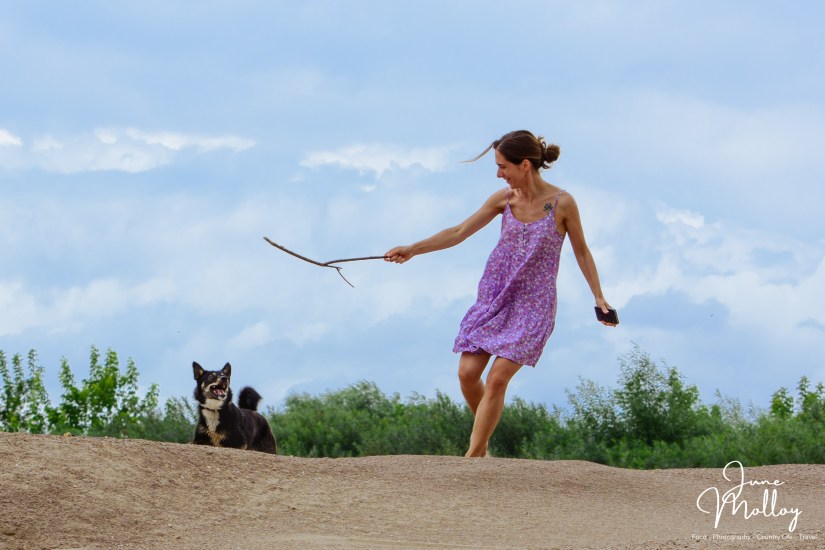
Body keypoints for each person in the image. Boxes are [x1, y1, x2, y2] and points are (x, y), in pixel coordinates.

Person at [384, 130, 616, 457]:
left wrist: (599, 296)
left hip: (533, 306)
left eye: (503, 166)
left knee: (496, 380)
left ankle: (473, 457)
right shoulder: (502, 200)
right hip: (494, 298)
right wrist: (413, 249)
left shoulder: (562, 204)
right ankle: (485, 442)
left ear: (524, 165)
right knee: (467, 374)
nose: (498, 174)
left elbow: (581, 252)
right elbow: (459, 231)